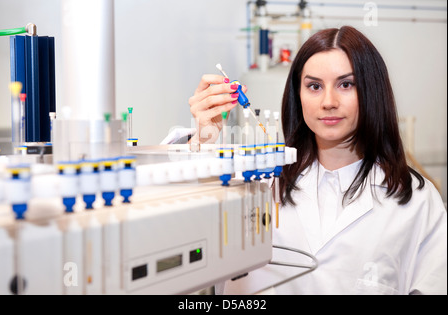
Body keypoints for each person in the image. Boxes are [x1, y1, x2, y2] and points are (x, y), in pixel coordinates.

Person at [188, 25, 447, 295]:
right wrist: (201, 143)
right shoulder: (253, 180)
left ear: (372, 91)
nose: (328, 101)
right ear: (297, 95)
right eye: (314, 86)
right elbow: (182, 239)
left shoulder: (415, 200)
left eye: (346, 84)